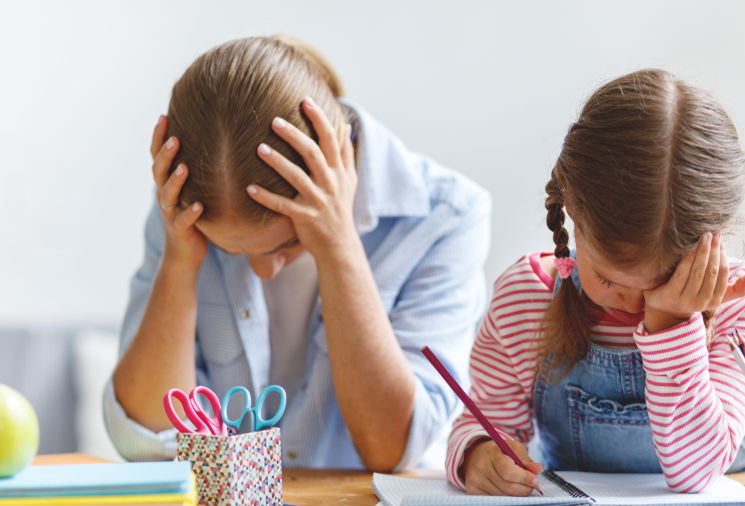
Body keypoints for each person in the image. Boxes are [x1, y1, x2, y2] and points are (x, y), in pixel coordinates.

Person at [105, 36, 490, 472]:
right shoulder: (185, 213)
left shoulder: (446, 214)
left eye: (288, 243)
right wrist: (180, 261)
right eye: (227, 248)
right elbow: (143, 442)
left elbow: (393, 451)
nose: (263, 270)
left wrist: (337, 245)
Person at [447, 69, 745, 496]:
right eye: (607, 278)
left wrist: (673, 321)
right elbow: (484, 418)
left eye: (662, 282)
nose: (634, 304)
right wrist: (477, 453)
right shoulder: (525, 297)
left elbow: (696, 474)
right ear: (571, 211)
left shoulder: (742, 300)